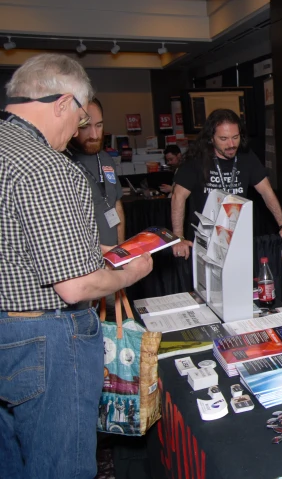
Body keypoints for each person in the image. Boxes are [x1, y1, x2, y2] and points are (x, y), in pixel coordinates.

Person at [0, 54, 153, 479]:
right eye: (81, 118)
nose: (79, 131)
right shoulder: (46, 165)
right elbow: (76, 285)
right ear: (63, 103)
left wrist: (100, 246)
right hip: (44, 340)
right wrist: (131, 272)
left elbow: (20, 242)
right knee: (60, 467)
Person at [171, 108, 282, 258]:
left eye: (235, 137)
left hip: (237, 237)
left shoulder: (246, 157)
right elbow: (178, 196)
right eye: (224, 139)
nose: (231, 144)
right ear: (211, 138)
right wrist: (178, 238)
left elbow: (266, 191)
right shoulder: (197, 159)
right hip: (204, 239)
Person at [68, 96, 125, 248]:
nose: (94, 135)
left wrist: (120, 251)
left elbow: (116, 204)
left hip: (112, 256)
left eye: (99, 125)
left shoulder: (105, 158)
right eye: (85, 126)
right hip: (84, 260)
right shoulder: (62, 163)